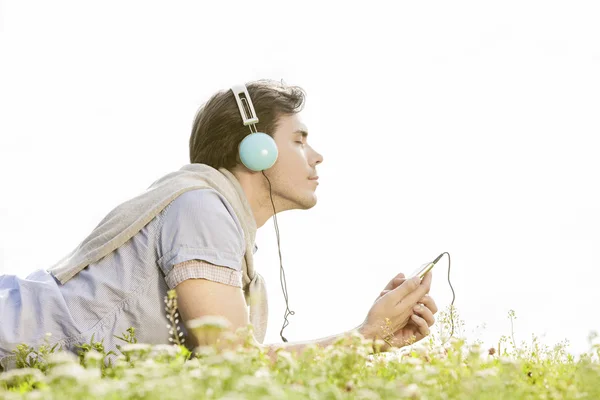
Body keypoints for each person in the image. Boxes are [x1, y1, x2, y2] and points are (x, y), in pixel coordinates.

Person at [0, 80, 437, 372]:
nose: (316, 156)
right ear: (256, 150)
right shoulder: (203, 209)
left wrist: (371, 339)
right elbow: (229, 360)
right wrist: (364, 338)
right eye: (299, 140)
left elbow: (218, 380)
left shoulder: (219, 228)